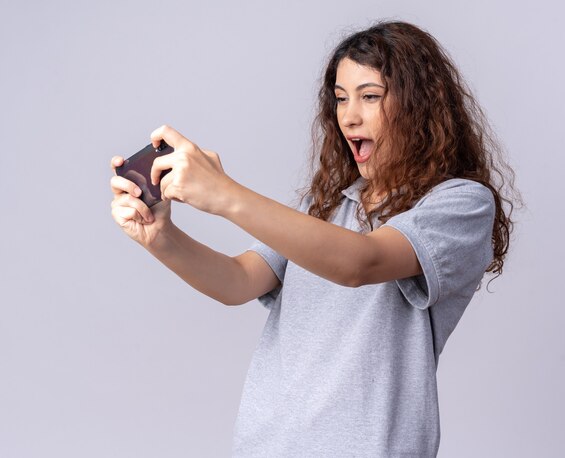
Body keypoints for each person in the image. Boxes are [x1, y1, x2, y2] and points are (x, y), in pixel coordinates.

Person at [110, 20, 516, 458]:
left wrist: (223, 194)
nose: (349, 116)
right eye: (340, 98)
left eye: (370, 96)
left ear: (420, 105)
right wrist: (160, 238)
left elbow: (362, 264)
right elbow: (237, 281)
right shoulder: (325, 206)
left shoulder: (460, 204)